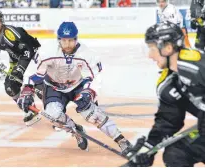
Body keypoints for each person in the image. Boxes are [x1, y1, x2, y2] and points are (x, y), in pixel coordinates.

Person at [16, 21, 133, 154]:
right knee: (52, 115)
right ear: (58, 40)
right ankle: (76, 131)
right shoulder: (47, 51)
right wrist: (26, 90)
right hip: (54, 88)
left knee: (92, 114)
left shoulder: (87, 54)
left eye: (71, 40)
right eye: (64, 41)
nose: (67, 45)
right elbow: (34, 72)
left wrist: (89, 92)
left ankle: (121, 140)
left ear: (76, 39)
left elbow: (94, 76)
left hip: (78, 86)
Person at [124, 21, 205, 167]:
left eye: (152, 49)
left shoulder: (197, 67)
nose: (150, 55)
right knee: (177, 152)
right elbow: (168, 120)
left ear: (168, 48)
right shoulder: (168, 83)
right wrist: (148, 149)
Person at [0, 9, 41, 125]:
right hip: (17, 60)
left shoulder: (11, 33)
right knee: (10, 86)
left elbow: (28, 50)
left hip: (33, 58)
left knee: (41, 89)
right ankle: (30, 109)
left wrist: (20, 69)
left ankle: (57, 113)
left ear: (1, 21)